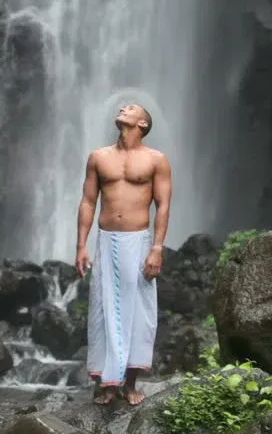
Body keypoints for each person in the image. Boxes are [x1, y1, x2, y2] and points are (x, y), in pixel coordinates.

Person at [74, 103, 172, 406]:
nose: (123, 107)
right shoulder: (98, 157)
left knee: (139, 312)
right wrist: (81, 245)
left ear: (142, 124)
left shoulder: (156, 160)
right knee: (102, 310)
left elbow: (163, 205)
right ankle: (106, 383)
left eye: (131, 108)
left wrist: (157, 248)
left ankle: (130, 384)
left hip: (139, 241)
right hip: (106, 241)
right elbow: (88, 201)